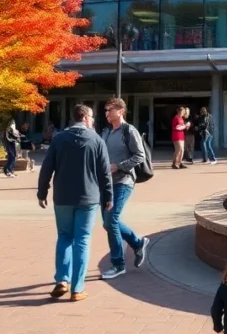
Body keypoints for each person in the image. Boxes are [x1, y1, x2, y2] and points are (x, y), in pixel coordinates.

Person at [36, 104, 113, 302]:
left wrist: (42, 192)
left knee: (64, 236)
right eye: (93, 117)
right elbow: (105, 173)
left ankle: (62, 279)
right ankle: (77, 288)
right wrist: (108, 196)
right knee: (83, 240)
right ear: (86, 118)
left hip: (62, 197)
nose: (94, 120)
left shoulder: (59, 139)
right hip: (88, 197)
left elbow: (47, 168)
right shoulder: (96, 140)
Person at [99, 97, 150, 280]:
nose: (107, 113)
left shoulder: (129, 131)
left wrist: (119, 166)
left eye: (110, 110)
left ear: (120, 111)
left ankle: (118, 264)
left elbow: (139, 155)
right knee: (107, 223)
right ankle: (138, 243)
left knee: (111, 221)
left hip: (123, 181)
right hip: (106, 184)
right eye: (105, 110)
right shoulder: (105, 132)